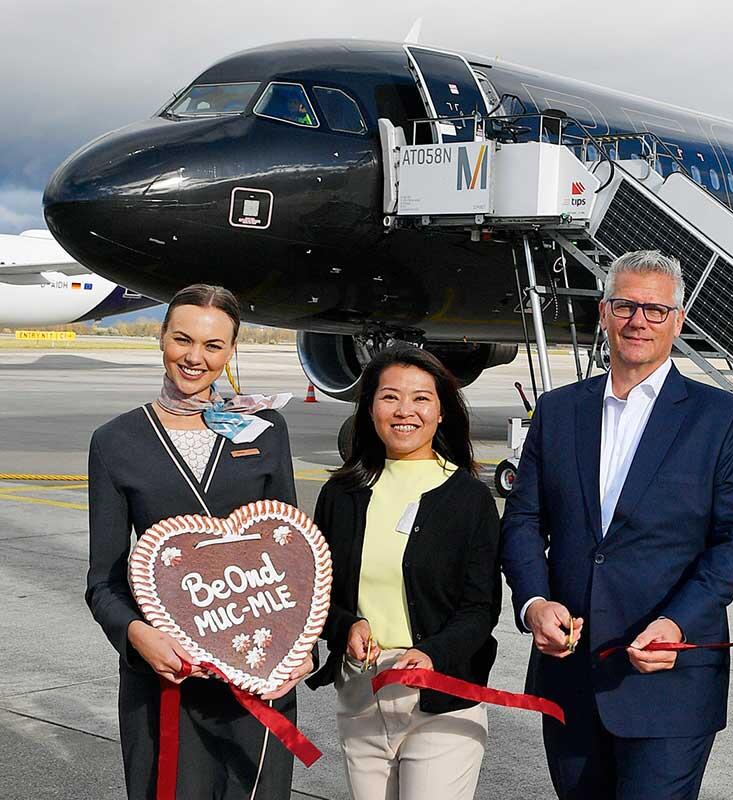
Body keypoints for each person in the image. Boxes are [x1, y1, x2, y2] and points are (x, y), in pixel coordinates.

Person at [500, 249, 733, 800]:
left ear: (679, 319)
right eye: (625, 306)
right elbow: (524, 519)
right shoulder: (557, 410)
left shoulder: (724, 417)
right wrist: (533, 603)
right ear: (603, 312)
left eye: (655, 309)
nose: (638, 320)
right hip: (569, 673)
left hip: (668, 676)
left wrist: (679, 622)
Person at [86, 284, 306, 799]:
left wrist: (301, 647)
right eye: (182, 339)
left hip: (258, 667)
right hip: (168, 675)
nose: (195, 357)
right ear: (161, 338)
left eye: (213, 346)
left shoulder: (264, 430)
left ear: (230, 352)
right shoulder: (117, 441)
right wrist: (138, 636)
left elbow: (292, 554)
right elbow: (103, 581)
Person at [307, 346, 501, 800]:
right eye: (389, 397)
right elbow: (317, 593)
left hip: (441, 694)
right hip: (362, 691)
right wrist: (345, 626)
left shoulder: (469, 498)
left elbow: (480, 609)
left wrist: (433, 654)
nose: (404, 411)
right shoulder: (342, 494)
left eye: (421, 399)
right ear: (370, 407)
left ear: (441, 412)